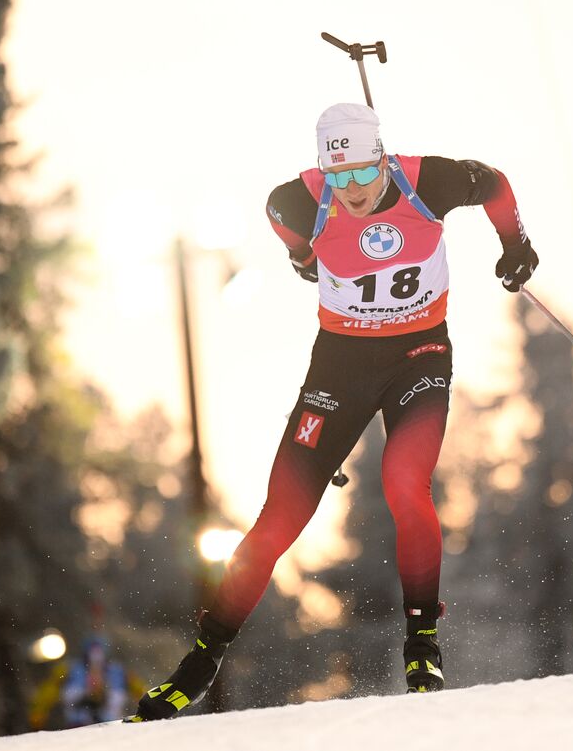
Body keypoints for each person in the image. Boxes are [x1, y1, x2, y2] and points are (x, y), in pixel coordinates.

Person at [129, 102, 538, 720]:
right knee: (279, 518)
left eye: (360, 175)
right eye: (336, 176)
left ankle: (422, 641)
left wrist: (515, 245)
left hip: (419, 355)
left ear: (380, 158)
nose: (349, 191)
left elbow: (496, 184)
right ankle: (200, 663)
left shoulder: (429, 180)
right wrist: (302, 258)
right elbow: (282, 223)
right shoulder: (296, 201)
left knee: (405, 484)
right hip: (340, 367)